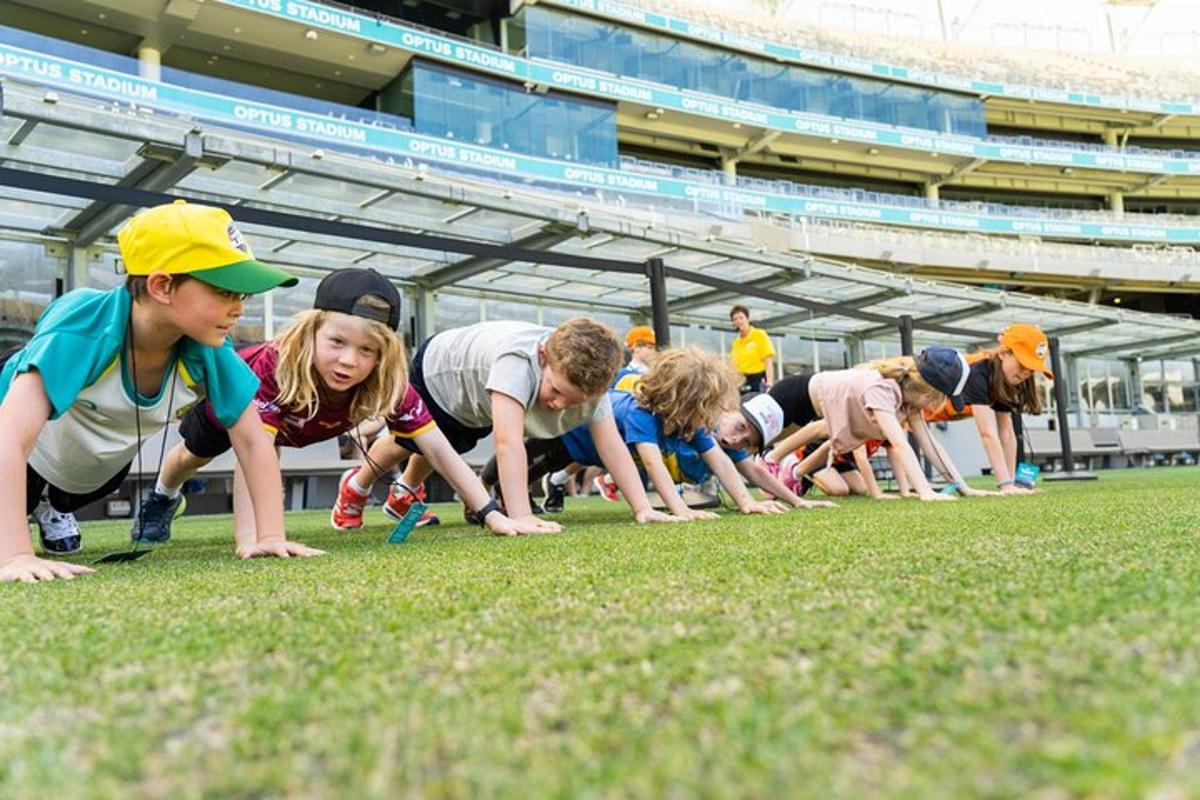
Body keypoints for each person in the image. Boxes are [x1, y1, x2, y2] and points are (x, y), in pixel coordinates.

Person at [0, 200, 321, 584]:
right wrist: (15, 555)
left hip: (95, 461)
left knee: (84, 485)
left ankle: (53, 505)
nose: (238, 309)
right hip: (25, 445)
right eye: (224, 291)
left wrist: (269, 537)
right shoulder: (81, 333)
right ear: (162, 285)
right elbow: (9, 438)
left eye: (243, 296)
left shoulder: (210, 348)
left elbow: (253, 442)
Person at [135, 268, 535, 545]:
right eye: (337, 343)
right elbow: (253, 454)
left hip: (298, 426)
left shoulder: (390, 383)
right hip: (236, 410)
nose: (349, 361)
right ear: (311, 331)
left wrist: (491, 513)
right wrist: (252, 539)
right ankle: (162, 497)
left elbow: (439, 450)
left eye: (367, 351)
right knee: (191, 455)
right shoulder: (271, 368)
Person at [338, 318, 681, 529]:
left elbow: (612, 446)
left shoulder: (591, 381)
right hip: (439, 372)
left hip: (474, 398)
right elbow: (508, 444)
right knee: (411, 439)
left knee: (449, 443)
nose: (559, 406)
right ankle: (357, 485)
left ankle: (404, 493)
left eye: (573, 402)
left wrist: (642, 508)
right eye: (557, 391)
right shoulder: (516, 361)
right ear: (544, 356)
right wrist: (520, 515)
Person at [486, 347, 786, 520]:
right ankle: (482, 488)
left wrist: (748, 502)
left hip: (587, 450)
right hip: (570, 429)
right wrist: (680, 509)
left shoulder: (688, 425)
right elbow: (654, 465)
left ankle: (500, 489)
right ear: (684, 403)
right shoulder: (640, 414)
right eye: (705, 410)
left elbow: (720, 462)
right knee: (531, 456)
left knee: (542, 467)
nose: (708, 421)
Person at [714, 348, 993, 501]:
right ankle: (769, 459)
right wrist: (925, 492)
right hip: (793, 398)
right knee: (737, 436)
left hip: (810, 406)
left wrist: (963, 487)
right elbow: (899, 443)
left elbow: (930, 445)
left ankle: (782, 466)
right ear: (927, 391)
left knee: (745, 446)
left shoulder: (909, 400)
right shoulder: (883, 390)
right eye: (939, 399)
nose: (937, 406)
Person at [921, 324, 1052, 495]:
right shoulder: (978, 372)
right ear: (1004, 353)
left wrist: (1011, 483)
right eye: (1022, 364)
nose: (1026, 373)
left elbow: (1007, 432)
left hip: (946, 411)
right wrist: (1004, 484)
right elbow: (988, 434)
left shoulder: (1007, 378)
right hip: (924, 406)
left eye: (1032, 369)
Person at [729, 305, 775, 394]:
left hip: (758, 379)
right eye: (735, 319)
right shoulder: (736, 342)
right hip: (742, 381)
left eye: (741, 318)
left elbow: (768, 360)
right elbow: (735, 366)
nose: (738, 321)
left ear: (748, 319)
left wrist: (770, 383)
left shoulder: (759, 335)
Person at [613, 325, 658, 391]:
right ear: (636, 347)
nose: (655, 351)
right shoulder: (621, 376)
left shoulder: (656, 376)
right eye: (650, 348)